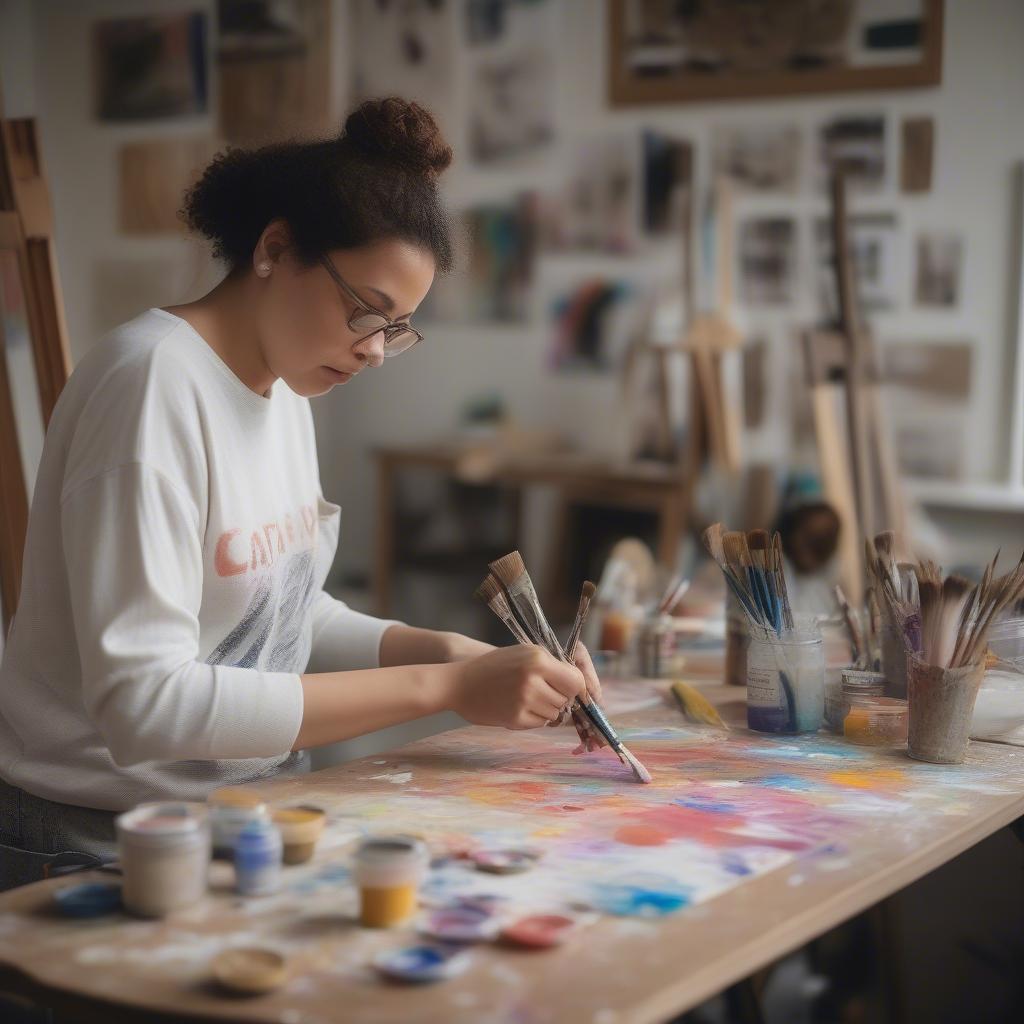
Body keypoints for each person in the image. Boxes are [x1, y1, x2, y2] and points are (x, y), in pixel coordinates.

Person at [0, 98, 600, 891]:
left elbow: (277, 613)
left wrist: (460, 653)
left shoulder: (284, 387)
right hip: (99, 839)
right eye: (367, 312)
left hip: (241, 814)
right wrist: (449, 689)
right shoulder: (150, 386)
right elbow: (142, 705)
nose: (378, 352)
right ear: (275, 249)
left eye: (399, 329)